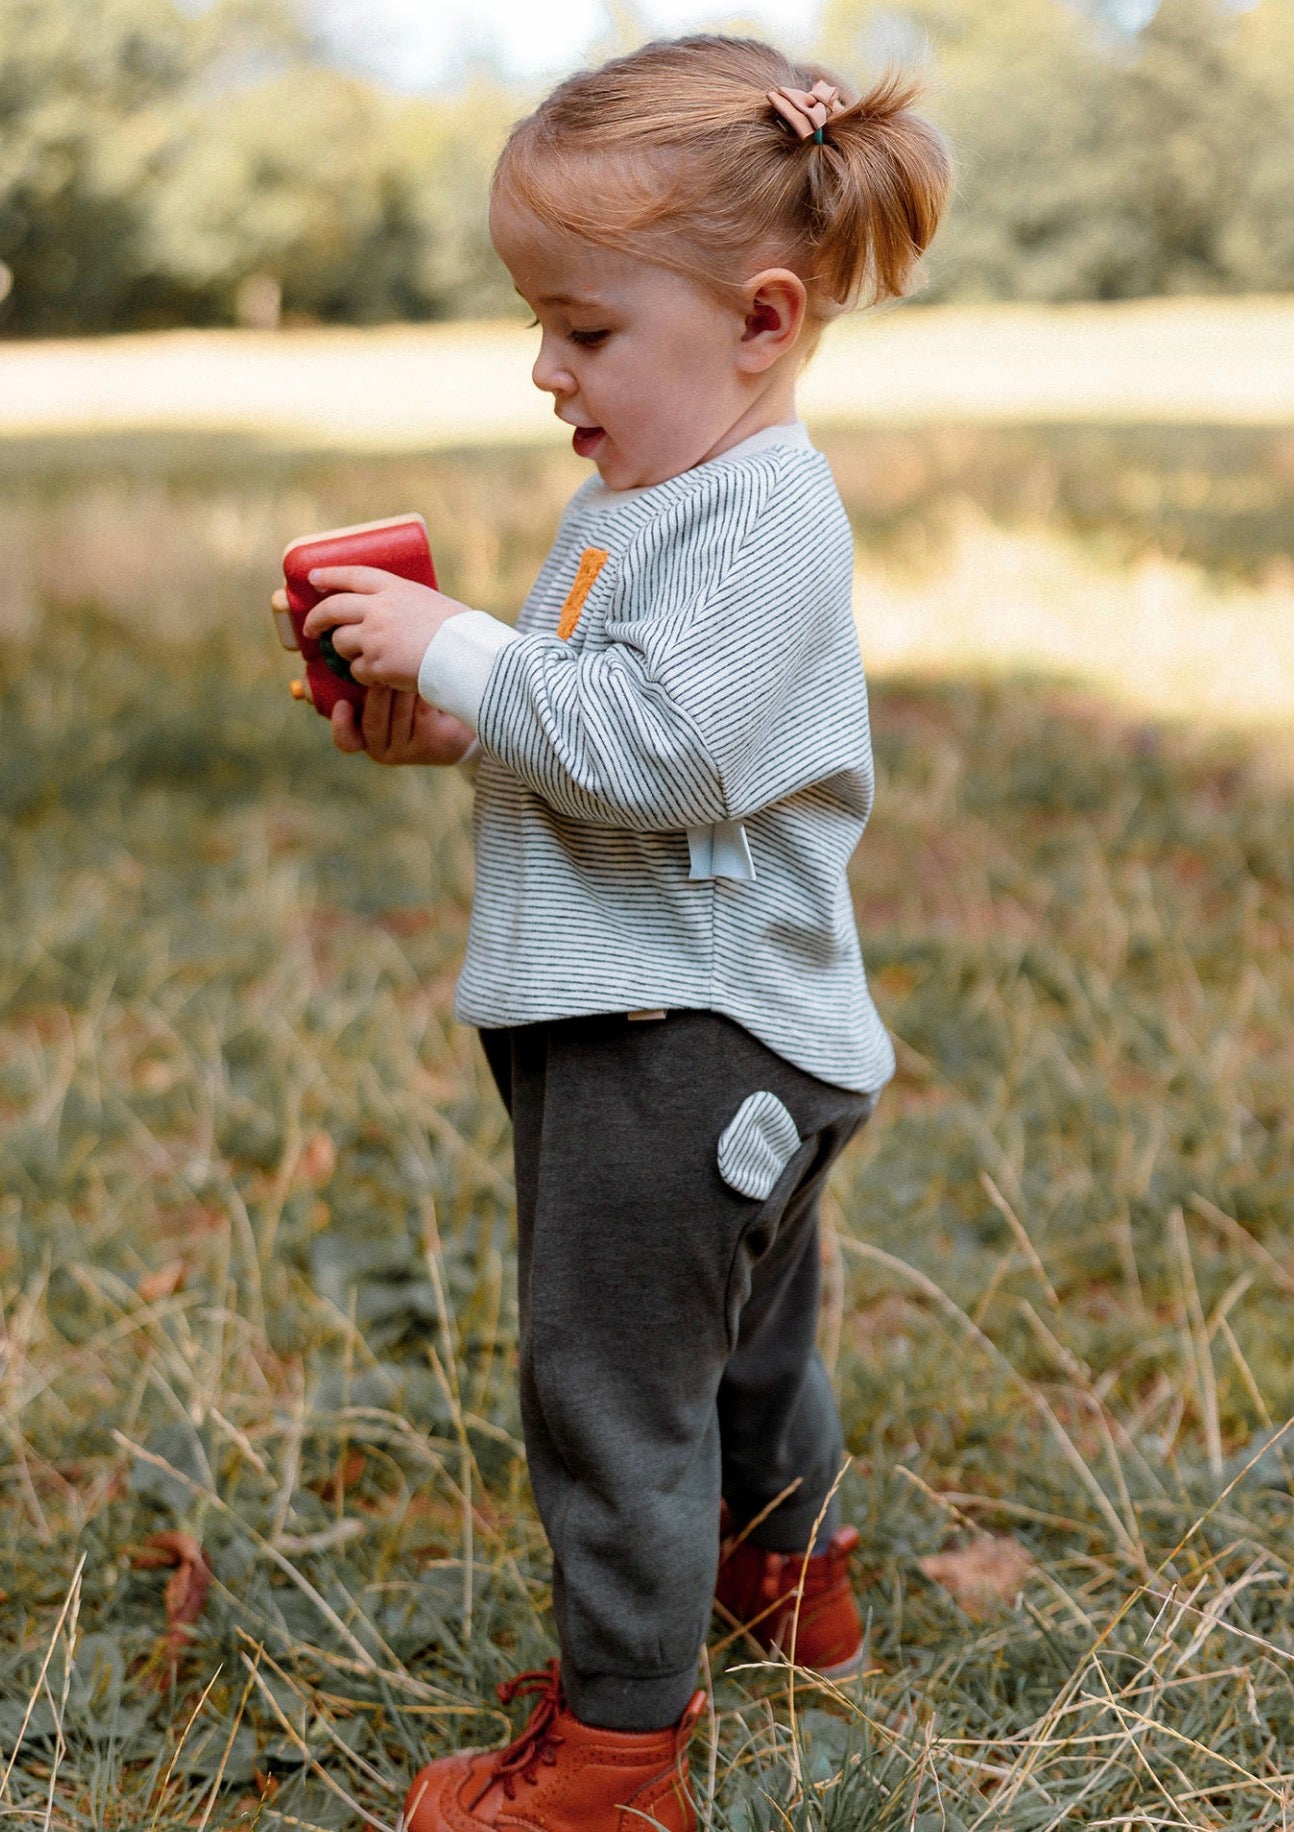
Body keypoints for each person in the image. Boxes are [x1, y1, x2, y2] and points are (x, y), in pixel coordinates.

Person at [279, 33, 951, 1832]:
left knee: (608, 1389)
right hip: (706, 1032)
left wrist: (469, 656)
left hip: (683, 1043)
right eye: (539, 325)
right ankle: (776, 1592)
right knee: (738, 1361)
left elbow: (666, 744)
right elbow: (586, 723)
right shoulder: (640, 506)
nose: (544, 369)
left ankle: (614, 1755)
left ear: (760, 317)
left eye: (585, 330)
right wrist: (447, 715)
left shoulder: (764, 516)